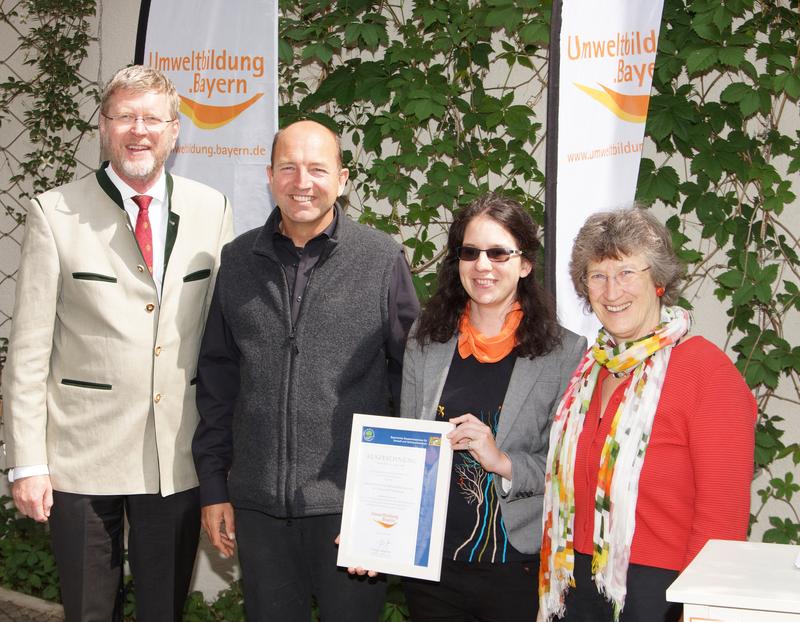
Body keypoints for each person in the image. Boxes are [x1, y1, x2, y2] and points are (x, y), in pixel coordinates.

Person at [2, 65, 233, 620]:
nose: (139, 130)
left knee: (164, 610)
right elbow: (29, 352)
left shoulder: (212, 209)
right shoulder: (54, 212)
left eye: (153, 118)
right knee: (88, 611)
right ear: (103, 127)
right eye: (125, 116)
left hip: (174, 455)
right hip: (80, 456)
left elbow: (223, 343)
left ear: (175, 132)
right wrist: (27, 463)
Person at [192, 119, 420, 621]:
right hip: (258, 507)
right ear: (270, 176)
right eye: (289, 168)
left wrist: (388, 506)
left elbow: (413, 383)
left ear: (341, 179)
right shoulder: (236, 261)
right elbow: (217, 383)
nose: (303, 182)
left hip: (351, 510)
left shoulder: (382, 260)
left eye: (318, 169)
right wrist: (214, 488)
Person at [538, 208, 757, 622]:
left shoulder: (707, 373)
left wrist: (695, 609)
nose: (611, 290)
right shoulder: (589, 370)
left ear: (658, 281)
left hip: (662, 591)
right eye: (597, 275)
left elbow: (723, 519)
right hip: (575, 583)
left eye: (626, 272)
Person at [399, 193, 586, 621]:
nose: (483, 265)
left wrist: (502, 461)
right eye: (470, 252)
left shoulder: (565, 353)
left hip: (515, 564)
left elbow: (568, 467)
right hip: (432, 568)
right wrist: (372, 530)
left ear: (524, 264)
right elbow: (406, 449)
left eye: (499, 252)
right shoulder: (425, 342)